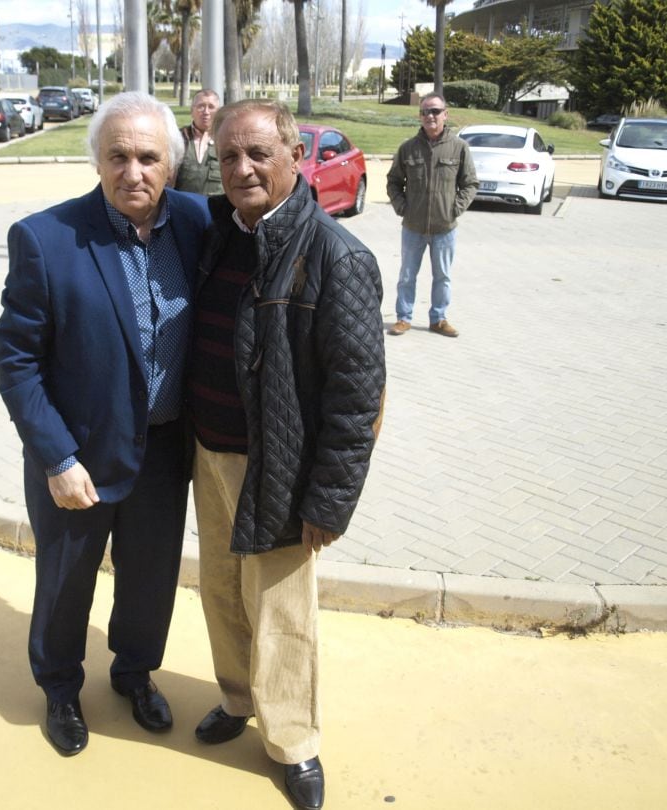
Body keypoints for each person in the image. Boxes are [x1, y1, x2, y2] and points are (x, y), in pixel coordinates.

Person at [0, 91, 210, 757]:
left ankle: (134, 674)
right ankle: (59, 688)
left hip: (165, 449)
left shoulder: (201, 224)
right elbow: (16, 359)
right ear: (97, 161)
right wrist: (55, 456)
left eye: (148, 157)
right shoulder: (47, 239)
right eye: (118, 156)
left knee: (150, 579)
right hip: (78, 457)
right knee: (66, 582)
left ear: (170, 164)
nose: (133, 172)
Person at [188, 99, 386, 810]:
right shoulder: (217, 230)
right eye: (229, 156)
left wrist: (330, 501)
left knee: (280, 612)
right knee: (219, 591)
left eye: (258, 154)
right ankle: (239, 700)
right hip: (209, 453)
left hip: (278, 468)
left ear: (294, 157)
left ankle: (294, 742)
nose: (241, 169)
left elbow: (357, 396)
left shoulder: (337, 256)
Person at [385, 92, 478, 338]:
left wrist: (454, 208)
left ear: (445, 115)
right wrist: (402, 207)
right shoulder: (408, 148)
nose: (430, 116)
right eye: (425, 111)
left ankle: (438, 319)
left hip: (444, 228)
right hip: (413, 227)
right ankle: (403, 318)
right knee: (406, 275)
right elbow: (393, 182)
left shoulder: (459, 148)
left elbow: (470, 184)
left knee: (443, 277)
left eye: (435, 111)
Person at [174, 89, 222, 195]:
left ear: (218, 112)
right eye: (201, 106)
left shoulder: (226, 139)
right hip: (183, 206)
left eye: (211, 107)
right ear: (192, 111)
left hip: (217, 208)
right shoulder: (178, 138)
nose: (206, 112)